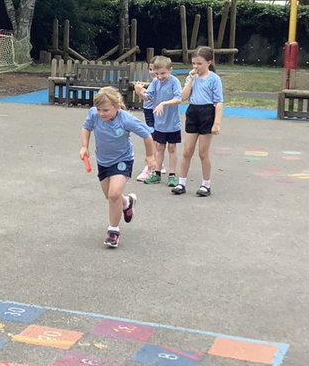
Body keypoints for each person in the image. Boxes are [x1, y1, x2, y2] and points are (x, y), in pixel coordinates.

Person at [80, 86, 158, 248]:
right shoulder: (94, 114)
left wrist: (150, 157)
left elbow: (147, 135)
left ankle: (113, 231)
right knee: (111, 197)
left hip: (122, 160)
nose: (102, 113)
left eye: (106, 110)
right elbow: (86, 128)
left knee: (114, 194)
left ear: (117, 106)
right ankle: (127, 202)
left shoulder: (126, 119)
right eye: (99, 109)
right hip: (103, 161)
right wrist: (84, 146)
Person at [172, 46, 224, 197]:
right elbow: (183, 97)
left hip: (207, 112)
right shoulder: (191, 77)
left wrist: (216, 123)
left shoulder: (214, 79)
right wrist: (191, 80)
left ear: (209, 62)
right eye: (193, 63)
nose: (195, 66)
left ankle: (206, 184)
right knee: (187, 151)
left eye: (199, 64)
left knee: (203, 153)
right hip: (193, 111)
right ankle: (181, 182)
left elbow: (219, 102)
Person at [136, 56, 182, 186]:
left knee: (172, 148)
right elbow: (149, 98)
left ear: (170, 70)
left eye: (163, 73)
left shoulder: (174, 82)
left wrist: (163, 104)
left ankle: (172, 175)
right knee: (159, 147)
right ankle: (156, 173)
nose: (160, 76)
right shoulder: (155, 82)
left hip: (172, 123)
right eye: (156, 74)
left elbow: (178, 99)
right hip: (160, 123)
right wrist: (139, 93)